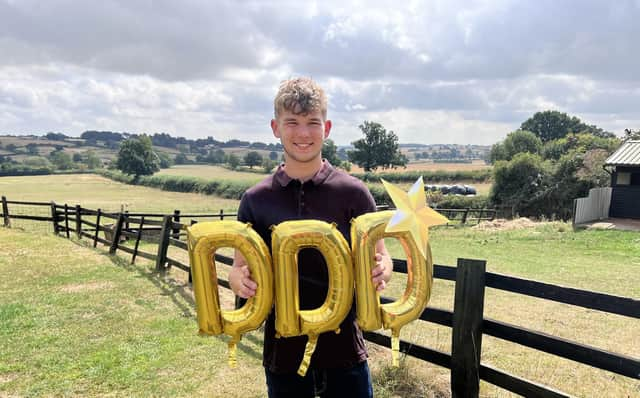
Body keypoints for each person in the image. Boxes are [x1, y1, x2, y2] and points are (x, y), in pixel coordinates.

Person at [229, 77, 392, 398]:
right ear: (275, 127)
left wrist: (383, 269)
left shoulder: (354, 193)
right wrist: (238, 280)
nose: (303, 133)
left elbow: (382, 256)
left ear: (327, 127)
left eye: (312, 123)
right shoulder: (255, 199)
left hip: (345, 350)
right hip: (283, 353)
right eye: (292, 122)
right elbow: (238, 267)